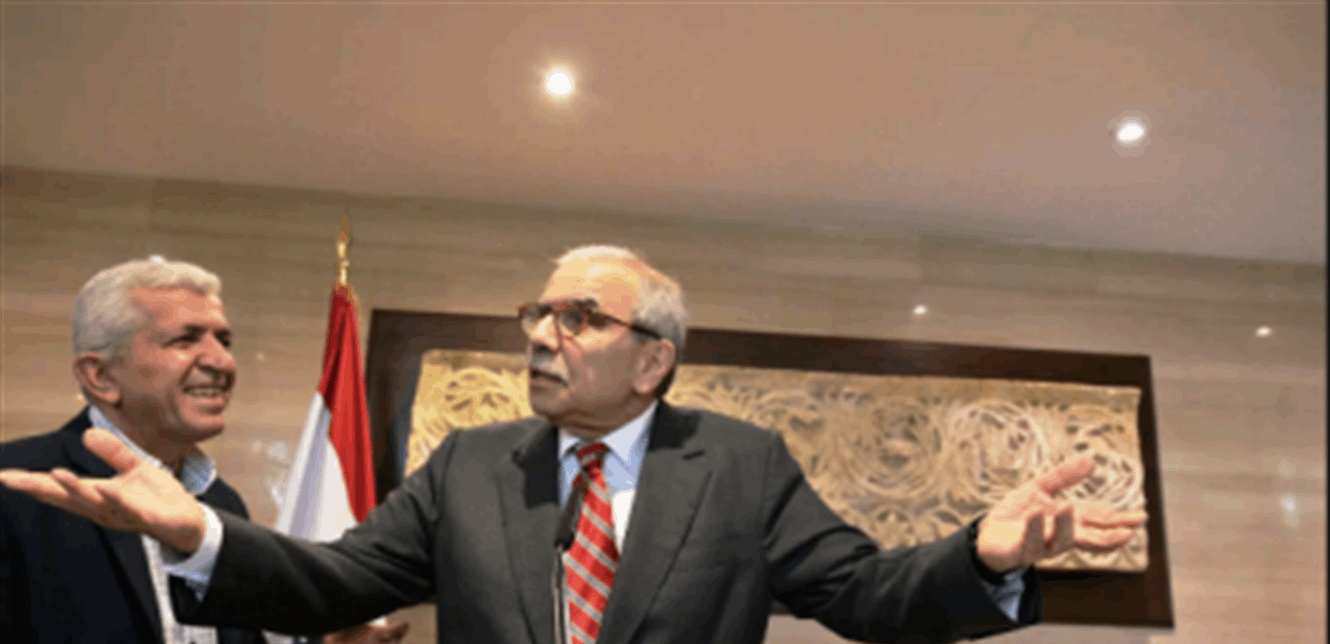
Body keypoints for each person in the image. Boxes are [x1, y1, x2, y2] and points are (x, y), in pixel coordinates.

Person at [1, 246, 1146, 644]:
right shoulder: (469, 465)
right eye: (537, 314)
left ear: (653, 359)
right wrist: (202, 535)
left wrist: (980, 555)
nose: (542, 336)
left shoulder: (740, 465)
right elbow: (337, 578)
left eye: (579, 318)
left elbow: (865, 593)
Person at [0, 257, 408, 644]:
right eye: (184, 340)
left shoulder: (221, 503)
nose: (222, 361)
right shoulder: (17, 486)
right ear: (101, 376)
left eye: (224, 341)